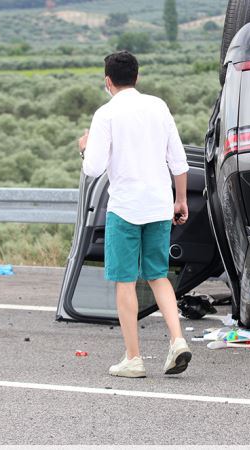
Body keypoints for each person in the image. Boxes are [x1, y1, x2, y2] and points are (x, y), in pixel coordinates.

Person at [78, 51, 191, 378]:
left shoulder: (106, 114)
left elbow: (94, 168)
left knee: (125, 281)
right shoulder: (158, 106)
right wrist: (180, 199)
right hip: (159, 204)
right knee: (158, 275)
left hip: (125, 208)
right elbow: (178, 159)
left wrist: (84, 146)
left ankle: (134, 358)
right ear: (137, 77)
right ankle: (178, 339)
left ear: (107, 81)